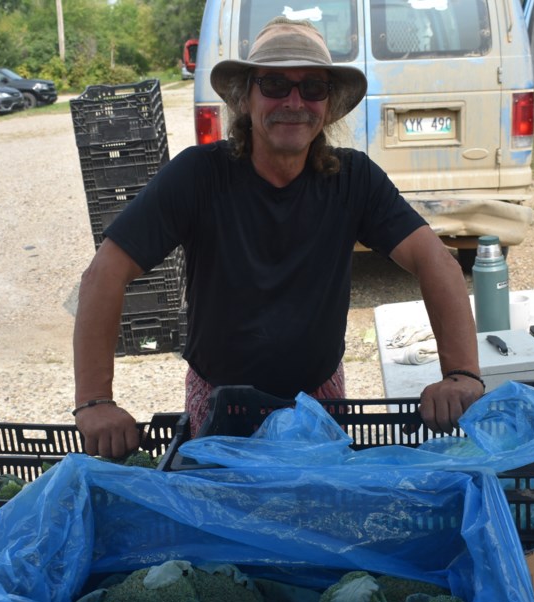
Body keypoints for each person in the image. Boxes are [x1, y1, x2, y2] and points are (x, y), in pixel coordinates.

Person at [73, 16, 484, 459]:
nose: (294, 101)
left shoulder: (353, 179)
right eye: (273, 84)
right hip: (219, 404)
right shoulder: (197, 176)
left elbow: (435, 261)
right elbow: (105, 274)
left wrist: (461, 374)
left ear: (326, 105)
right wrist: (95, 401)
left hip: (319, 400)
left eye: (312, 88)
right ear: (245, 98)